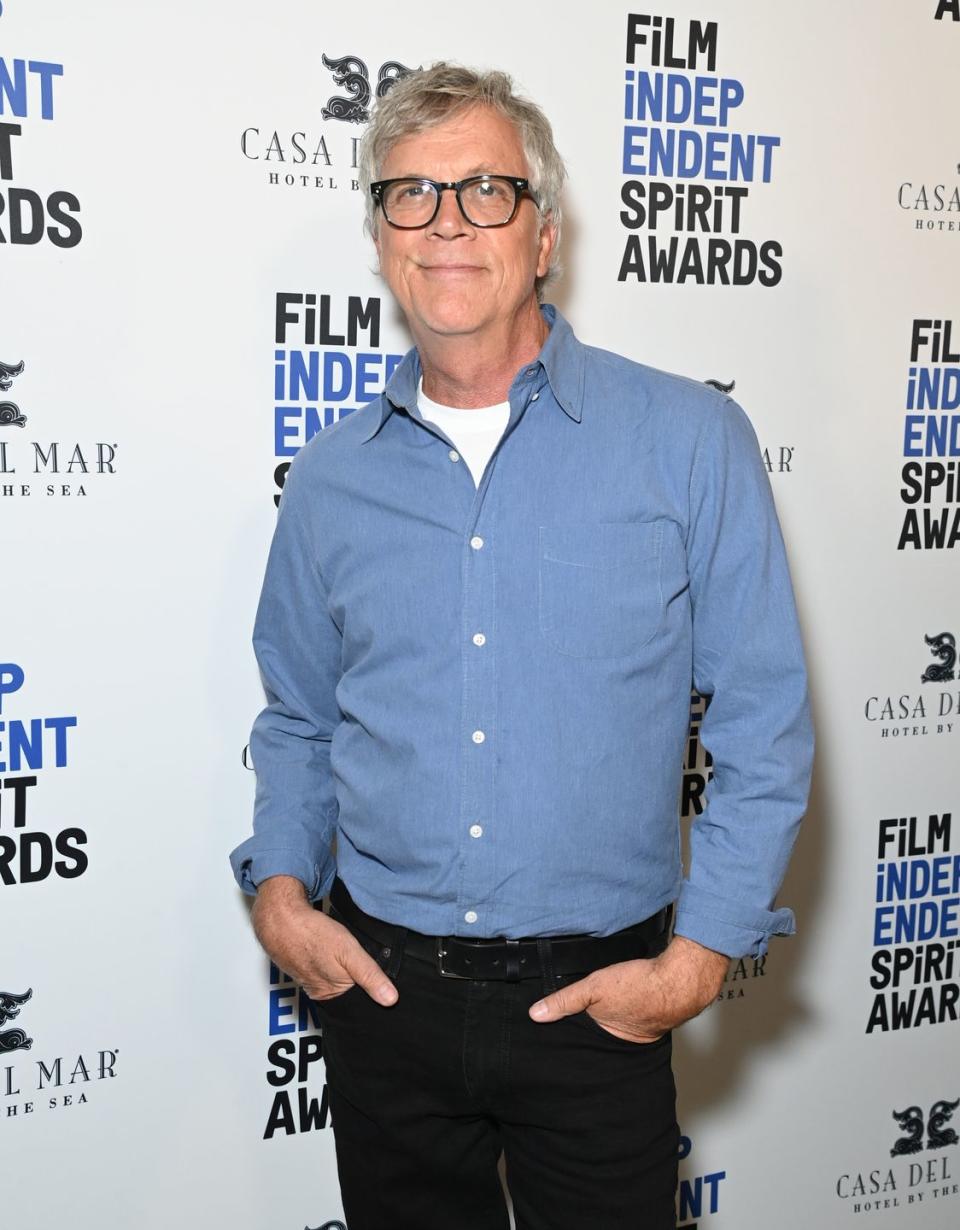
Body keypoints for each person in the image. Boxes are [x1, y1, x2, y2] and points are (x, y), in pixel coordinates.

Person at [230, 63, 813, 1230]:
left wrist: (698, 960)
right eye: (411, 195)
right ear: (382, 239)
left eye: (485, 192)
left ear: (542, 235)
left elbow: (763, 720)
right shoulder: (332, 479)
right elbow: (298, 714)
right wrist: (282, 889)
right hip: (383, 1000)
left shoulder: (688, 440)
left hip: (600, 1007)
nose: (447, 223)